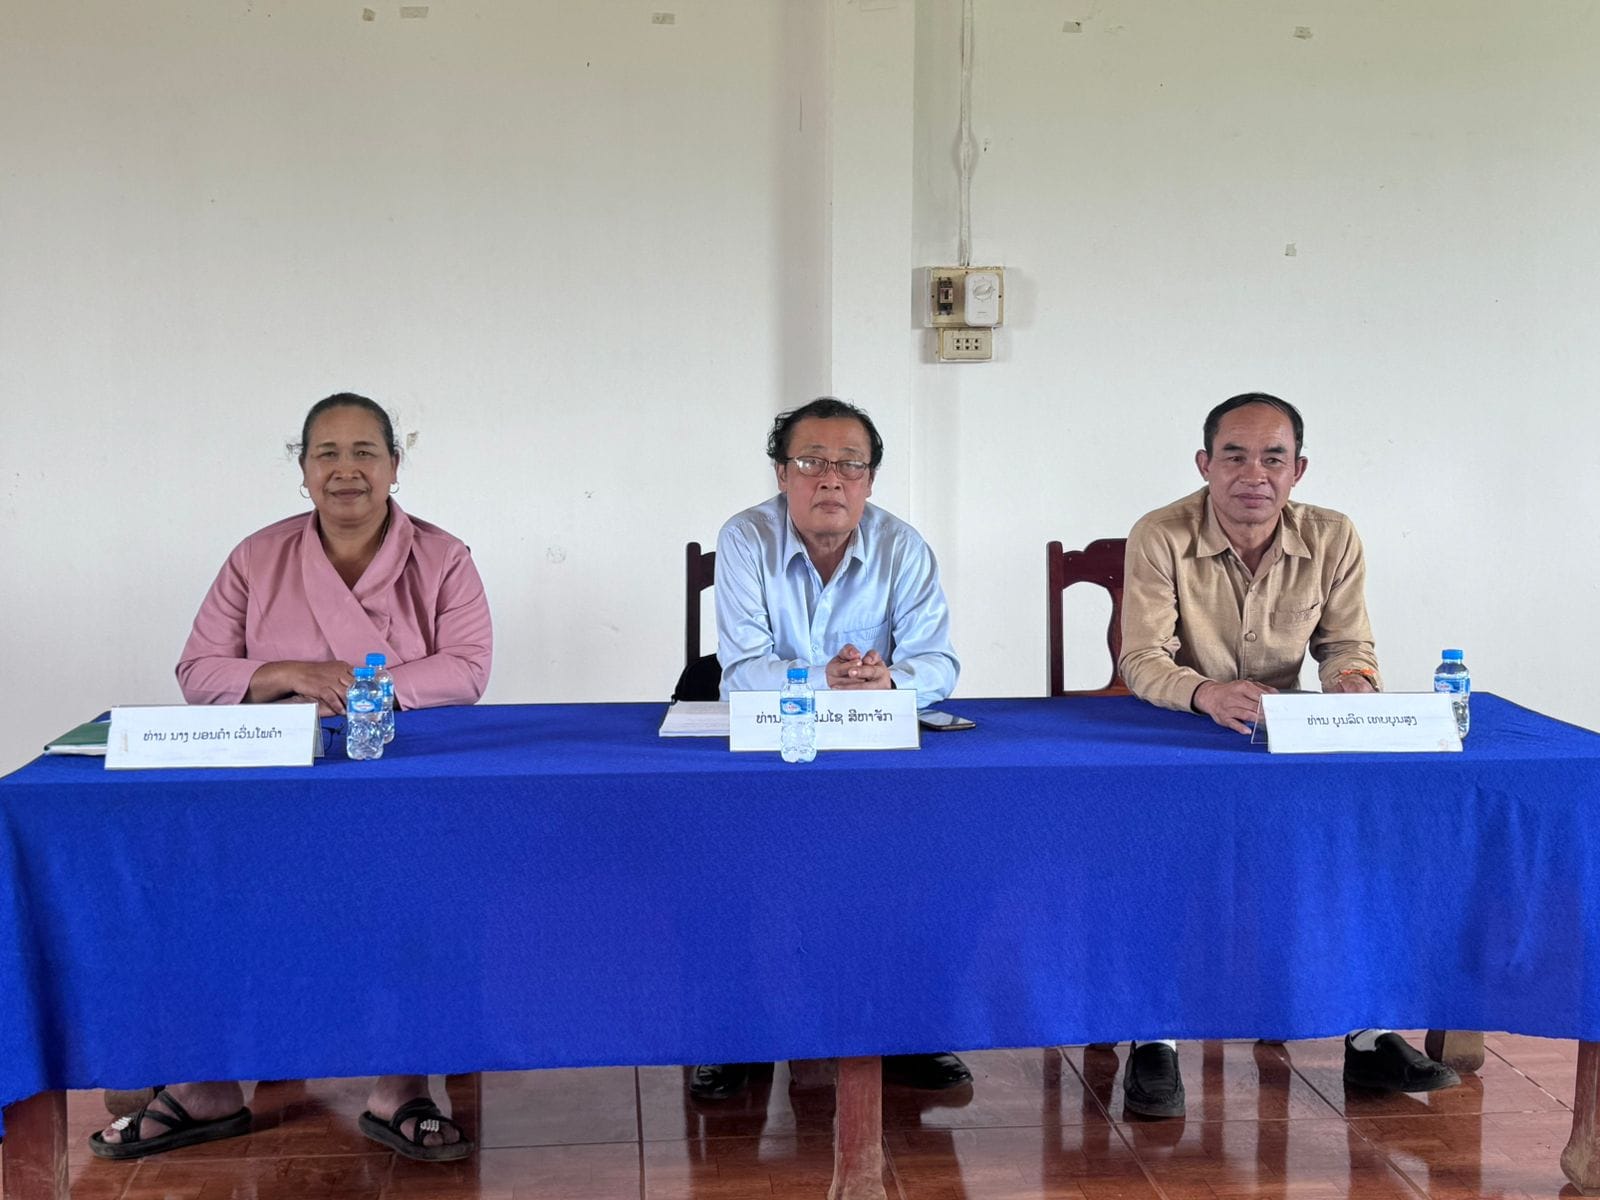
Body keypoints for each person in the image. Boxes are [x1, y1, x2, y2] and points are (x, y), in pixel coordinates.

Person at [90, 392, 492, 1162]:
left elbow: (467, 668)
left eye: (365, 452)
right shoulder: (256, 556)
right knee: (199, 878)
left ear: (395, 466)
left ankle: (401, 1084)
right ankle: (207, 1084)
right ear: (302, 470)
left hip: (395, 770)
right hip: (271, 773)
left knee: (413, 886)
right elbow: (199, 671)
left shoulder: (443, 557)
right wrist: (289, 672)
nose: (346, 470)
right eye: (326, 454)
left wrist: (366, 688)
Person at [1113, 391, 1460, 1119]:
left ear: (1298, 470)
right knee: (1161, 851)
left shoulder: (1333, 536)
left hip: (1285, 734)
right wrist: (1206, 693)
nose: (1254, 475)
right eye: (1234, 456)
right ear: (1205, 464)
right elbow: (1142, 658)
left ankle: (1367, 1031)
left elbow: (1347, 644)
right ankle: (1155, 1034)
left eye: (1274, 458)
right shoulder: (1160, 534)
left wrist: (1352, 680)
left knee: (1355, 840)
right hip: (1182, 731)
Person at [689, 396, 968, 1101]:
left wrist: (888, 678)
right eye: (812, 462)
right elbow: (741, 672)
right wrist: (827, 679)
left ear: (870, 480)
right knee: (733, 868)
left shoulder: (903, 546)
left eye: (850, 465)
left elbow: (938, 663)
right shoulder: (745, 538)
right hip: (767, 746)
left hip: (869, 746)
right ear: (782, 474)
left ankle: (907, 1029)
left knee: (920, 859)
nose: (831, 480)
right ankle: (736, 1032)